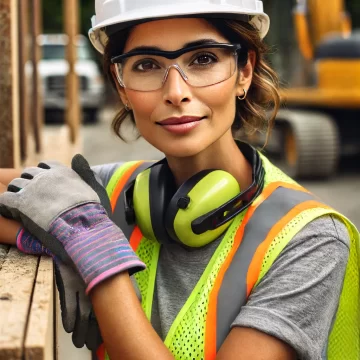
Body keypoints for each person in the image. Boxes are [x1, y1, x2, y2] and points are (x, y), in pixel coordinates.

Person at [0, 1, 359, 359]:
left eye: (202, 59)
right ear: (121, 86)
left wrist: (100, 260)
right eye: (147, 65)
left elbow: (88, 236)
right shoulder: (106, 195)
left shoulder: (310, 240)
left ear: (244, 71)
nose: (175, 92)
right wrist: (57, 241)